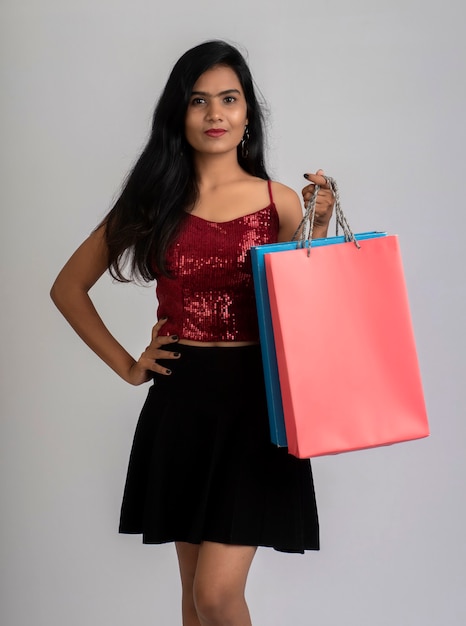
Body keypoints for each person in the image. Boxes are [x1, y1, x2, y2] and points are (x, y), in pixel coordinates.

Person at [50, 40, 334, 626]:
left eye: (228, 100)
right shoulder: (153, 202)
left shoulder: (279, 202)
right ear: (179, 114)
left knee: (216, 595)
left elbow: (313, 309)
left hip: (256, 406)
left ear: (248, 112)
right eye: (199, 101)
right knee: (192, 600)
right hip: (181, 400)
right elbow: (67, 288)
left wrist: (319, 228)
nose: (214, 115)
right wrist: (130, 365)